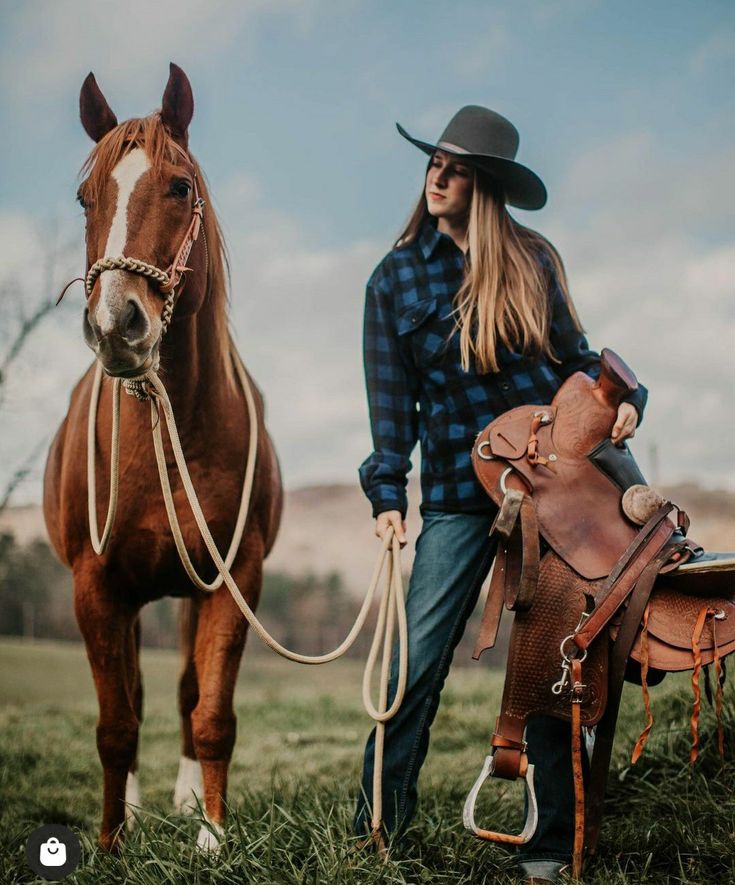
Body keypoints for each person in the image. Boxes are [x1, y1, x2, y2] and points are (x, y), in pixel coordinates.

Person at [354, 105, 646, 883]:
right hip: (454, 489)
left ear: (484, 185)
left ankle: (551, 843)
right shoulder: (394, 279)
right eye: (433, 163)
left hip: (553, 484)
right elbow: (390, 411)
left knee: (554, 657)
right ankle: (376, 831)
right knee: (411, 665)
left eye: (456, 167)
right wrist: (388, 495)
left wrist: (626, 397)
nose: (437, 176)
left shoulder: (533, 259)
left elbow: (577, 363)